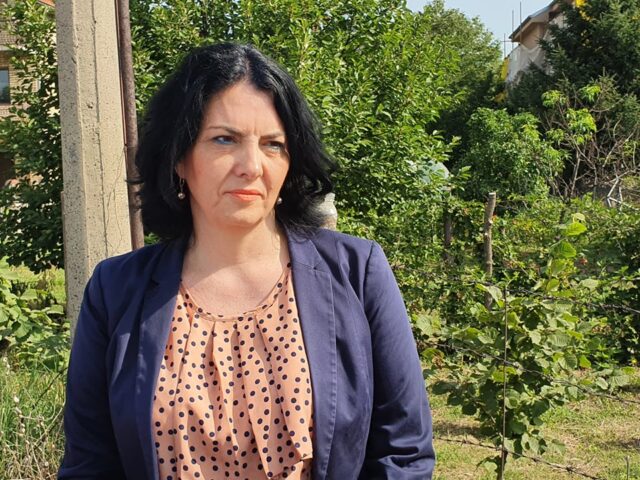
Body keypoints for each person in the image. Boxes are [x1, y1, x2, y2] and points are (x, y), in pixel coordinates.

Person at [58, 43, 435, 480]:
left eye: (273, 144)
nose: (252, 166)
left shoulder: (357, 271)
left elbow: (403, 453)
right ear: (179, 157)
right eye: (225, 139)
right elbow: (90, 463)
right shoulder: (116, 289)